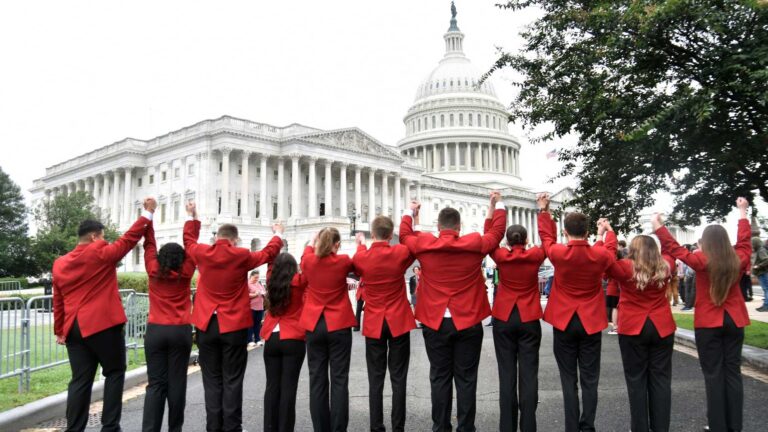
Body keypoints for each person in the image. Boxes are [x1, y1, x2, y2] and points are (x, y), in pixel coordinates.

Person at [399, 191, 506, 431]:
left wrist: (410, 212)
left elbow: (405, 235)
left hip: (435, 321)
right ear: (459, 226)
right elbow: (497, 233)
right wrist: (498, 205)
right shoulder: (474, 243)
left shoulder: (426, 244)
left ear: (438, 226)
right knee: (466, 379)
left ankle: (441, 427)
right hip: (467, 320)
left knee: (439, 377)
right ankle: (466, 427)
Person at [52, 198, 155, 432]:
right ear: (94, 237)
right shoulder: (99, 252)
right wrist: (147, 214)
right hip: (102, 325)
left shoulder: (59, 264)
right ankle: (110, 427)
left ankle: (74, 429)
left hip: (74, 329)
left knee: (80, 380)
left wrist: (60, 330)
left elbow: (58, 300)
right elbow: (128, 240)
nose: (106, 241)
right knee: (115, 372)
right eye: (103, 237)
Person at [183, 201, 284, 432]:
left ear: (217, 237)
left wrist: (193, 217)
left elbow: (188, 241)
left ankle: (213, 427)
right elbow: (267, 253)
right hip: (234, 325)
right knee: (233, 379)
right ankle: (232, 427)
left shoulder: (203, 252)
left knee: (211, 379)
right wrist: (277, 234)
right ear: (235, 239)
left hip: (207, 325)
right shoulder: (241, 255)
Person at [653, 197, 752, 432]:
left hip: (709, 322)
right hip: (734, 319)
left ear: (705, 242)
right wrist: (742, 212)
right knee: (732, 372)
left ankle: (717, 424)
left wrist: (659, 228)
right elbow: (745, 242)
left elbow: (676, 250)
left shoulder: (700, 260)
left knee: (713, 374)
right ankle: (734, 425)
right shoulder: (739, 258)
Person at [536, 192, 617, 432]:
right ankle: (587, 426)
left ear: (566, 232)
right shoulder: (599, 254)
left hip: (564, 321)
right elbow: (610, 250)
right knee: (590, 380)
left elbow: (546, 237)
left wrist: (544, 211)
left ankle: (572, 426)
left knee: (568, 379)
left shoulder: (560, 253)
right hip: (590, 321)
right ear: (587, 231)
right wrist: (607, 232)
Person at [605, 235, 676, 432]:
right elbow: (671, 250)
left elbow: (606, 259)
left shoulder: (625, 267)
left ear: (632, 250)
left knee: (636, 381)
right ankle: (661, 428)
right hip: (661, 326)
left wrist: (608, 234)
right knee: (661, 380)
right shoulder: (666, 266)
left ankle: (639, 428)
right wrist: (660, 229)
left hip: (632, 327)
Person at [353, 217, 417, 432]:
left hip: (374, 321)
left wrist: (360, 244)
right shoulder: (399, 252)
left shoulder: (363, 257)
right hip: (398, 319)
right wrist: (411, 218)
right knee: (399, 378)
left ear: (373, 234)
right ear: (391, 235)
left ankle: (376, 427)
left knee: (376, 378)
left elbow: (358, 258)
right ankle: (398, 427)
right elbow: (413, 245)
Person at [141, 211, 196, 432]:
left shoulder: (153, 269)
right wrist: (191, 218)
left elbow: (149, 246)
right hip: (180, 329)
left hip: (155, 330)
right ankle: (175, 429)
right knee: (177, 383)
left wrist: (149, 217)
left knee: (155, 384)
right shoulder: (186, 271)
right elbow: (191, 246)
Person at [489, 223, 546, 432]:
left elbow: (490, 239)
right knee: (529, 376)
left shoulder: (501, 256)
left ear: (507, 241)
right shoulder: (535, 256)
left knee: (507, 375)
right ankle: (529, 426)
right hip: (528, 317)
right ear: (526, 240)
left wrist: (495, 209)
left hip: (504, 317)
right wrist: (545, 213)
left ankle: (507, 427)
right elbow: (548, 241)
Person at [299, 227, 356, 431]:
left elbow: (307, 251)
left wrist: (312, 241)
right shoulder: (343, 261)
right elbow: (356, 268)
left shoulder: (308, 261)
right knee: (339, 380)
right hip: (338, 322)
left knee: (317, 379)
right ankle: (338, 428)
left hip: (314, 323)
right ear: (337, 245)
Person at [261, 253, 308, 432]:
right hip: (293, 336)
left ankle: (269, 428)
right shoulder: (299, 282)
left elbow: (270, 263)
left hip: (272, 335)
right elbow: (309, 267)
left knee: (272, 386)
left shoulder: (271, 281)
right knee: (289, 387)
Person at [248, 270, 266, 348]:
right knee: (250, 324)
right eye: (255, 277)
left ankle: (257, 339)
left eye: (258, 277)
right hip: (251, 307)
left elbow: (264, 291)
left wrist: (263, 293)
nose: (257, 279)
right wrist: (255, 294)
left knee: (257, 324)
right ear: (251, 276)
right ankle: (250, 340)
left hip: (260, 307)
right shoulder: (247, 284)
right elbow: (245, 295)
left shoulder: (258, 284)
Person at [753, 237, 768, 312]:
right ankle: (765, 305)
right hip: (761, 273)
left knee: (766, 289)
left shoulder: (761, 250)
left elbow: (766, 260)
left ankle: (766, 306)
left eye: (752, 243)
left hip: (763, 273)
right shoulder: (759, 250)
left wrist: (758, 266)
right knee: (766, 289)